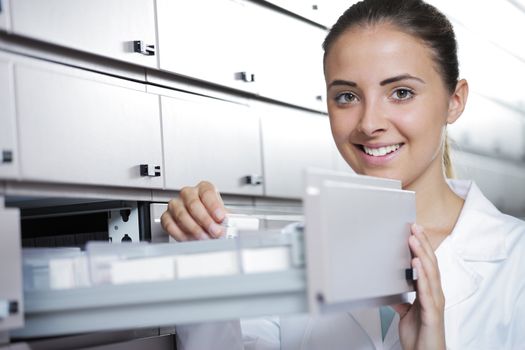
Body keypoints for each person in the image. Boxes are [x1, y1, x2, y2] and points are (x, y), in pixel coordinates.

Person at [161, 0, 525, 348]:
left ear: (454, 101)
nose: (369, 124)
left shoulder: (515, 261)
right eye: (347, 97)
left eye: (400, 92)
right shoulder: (293, 255)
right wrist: (202, 252)